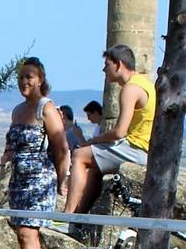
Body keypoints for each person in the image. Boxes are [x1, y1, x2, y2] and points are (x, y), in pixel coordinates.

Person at [0, 58, 69, 249]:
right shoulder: (17, 111)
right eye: (20, 78)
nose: (24, 82)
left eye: (29, 77)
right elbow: (11, 142)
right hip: (19, 178)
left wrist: (62, 182)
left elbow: (61, 148)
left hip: (39, 179)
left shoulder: (45, 108)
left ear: (40, 79)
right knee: (23, 234)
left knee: (29, 233)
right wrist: (5, 157)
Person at [65, 45, 156, 214]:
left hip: (136, 148)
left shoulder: (130, 89)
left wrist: (92, 141)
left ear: (118, 64)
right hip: (146, 149)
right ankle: (78, 217)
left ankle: (66, 216)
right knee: (94, 167)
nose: (104, 69)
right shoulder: (146, 84)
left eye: (107, 65)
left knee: (79, 155)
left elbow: (120, 131)